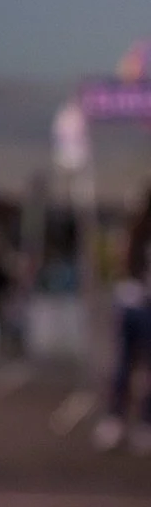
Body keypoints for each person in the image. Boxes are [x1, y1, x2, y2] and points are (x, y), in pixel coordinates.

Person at [92, 190, 151, 453]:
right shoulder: (135, 232)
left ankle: (140, 422)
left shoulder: (135, 231)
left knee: (137, 368)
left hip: (138, 305)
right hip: (133, 305)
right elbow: (120, 265)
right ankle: (117, 419)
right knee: (124, 366)